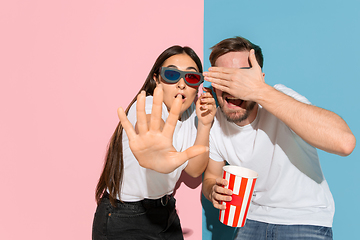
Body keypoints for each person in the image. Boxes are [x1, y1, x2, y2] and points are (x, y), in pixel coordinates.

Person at [201, 36, 356, 240]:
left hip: (305, 219)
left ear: (259, 78)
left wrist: (260, 91)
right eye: (224, 78)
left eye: (241, 78)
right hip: (252, 220)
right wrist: (213, 190)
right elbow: (211, 177)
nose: (232, 86)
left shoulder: (280, 98)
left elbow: (345, 143)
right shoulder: (217, 122)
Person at [92, 45, 216, 240]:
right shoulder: (146, 104)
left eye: (191, 77)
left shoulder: (191, 113)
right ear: (157, 80)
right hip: (126, 216)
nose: (181, 84)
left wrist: (205, 124)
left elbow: (193, 170)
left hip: (165, 211)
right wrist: (155, 143)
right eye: (172, 75)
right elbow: (150, 123)